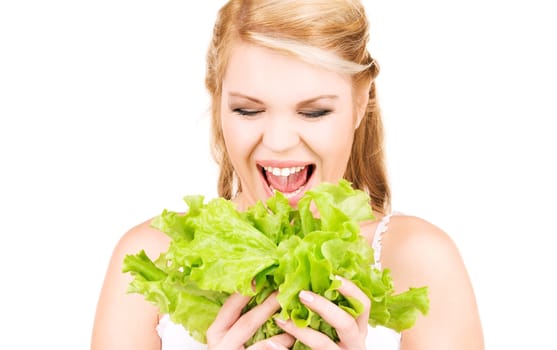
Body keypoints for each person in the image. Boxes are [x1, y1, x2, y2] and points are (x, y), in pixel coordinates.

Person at [91, 0, 484, 349]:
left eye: (314, 112)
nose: (279, 142)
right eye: (248, 110)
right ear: (217, 101)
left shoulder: (419, 259)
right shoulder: (154, 259)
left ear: (360, 101)